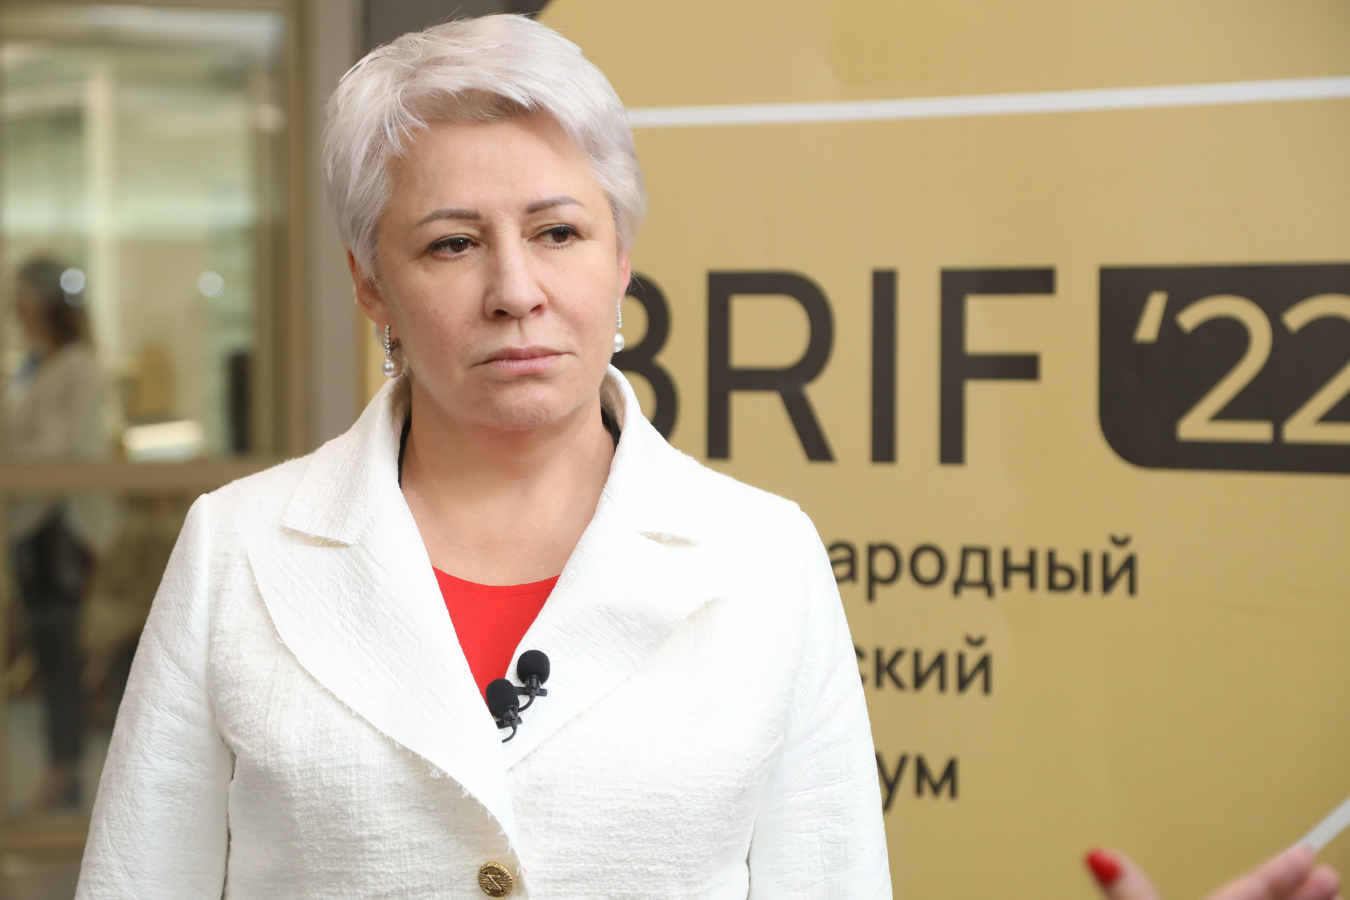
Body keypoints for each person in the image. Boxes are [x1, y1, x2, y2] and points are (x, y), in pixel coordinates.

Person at [74, 15, 1339, 900]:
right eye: (452, 243)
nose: (516, 290)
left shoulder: (762, 554)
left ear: (621, 258)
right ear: (371, 285)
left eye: (558, 232)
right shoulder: (239, 547)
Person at [7, 256, 106, 813]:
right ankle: (61, 770)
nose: (15, 307)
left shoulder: (76, 366)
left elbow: (61, 449)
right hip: (29, 524)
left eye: (22, 296)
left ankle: (63, 767)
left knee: (60, 652)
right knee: (47, 652)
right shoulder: (35, 362)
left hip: (60, 528)